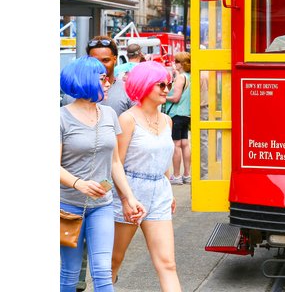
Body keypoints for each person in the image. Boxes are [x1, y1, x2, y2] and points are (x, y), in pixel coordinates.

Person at [60, 56, 146, 292]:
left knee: (102, 272)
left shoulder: (108, 114)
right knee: (69, 274)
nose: (109, 83)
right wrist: (78, 183)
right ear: (86, 82)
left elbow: (115, 162)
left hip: (102, 205)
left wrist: (129, 198)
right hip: (67, 207)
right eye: (102, 79)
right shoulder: (60, 118)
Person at [110, 61, 181, 291]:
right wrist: (125, 199)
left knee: (168, 263)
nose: (166, 89)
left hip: (159, 192)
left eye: (168, 84)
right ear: (143, 85)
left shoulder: (167, 120)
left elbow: (164, 160)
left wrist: (168, 189)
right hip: (129, 192)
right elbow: (116, 163)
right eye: (160, 84)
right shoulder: (127, 119)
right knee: (112, 262)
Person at [165, 52, 192, 185]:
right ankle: (187, 174)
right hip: (187, 114)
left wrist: (163, 98)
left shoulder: (180, 78)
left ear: (182, 64)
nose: (174, 63)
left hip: (176, 114)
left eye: (176, 61)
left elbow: (176, 98)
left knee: (176, 145)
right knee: (185, 144)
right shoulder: (190, 76)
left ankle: (176, 176)